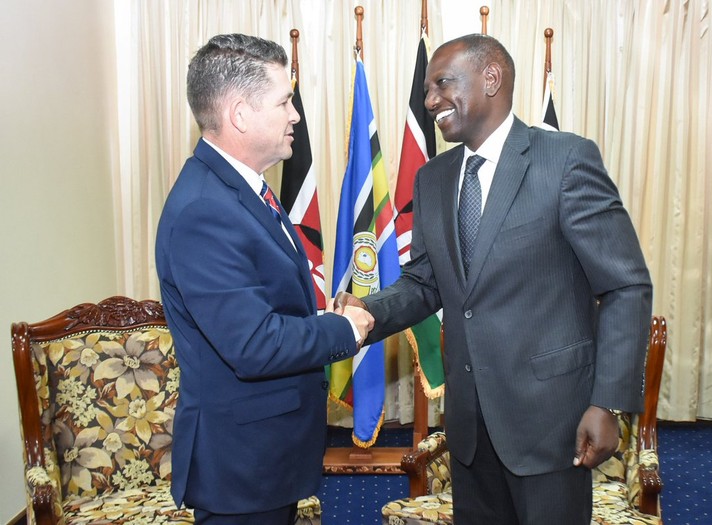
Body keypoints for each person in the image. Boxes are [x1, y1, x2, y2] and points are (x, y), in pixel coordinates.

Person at [335, 34, 652, 524]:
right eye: (426, 90)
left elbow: (625, 285)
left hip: (551, 425)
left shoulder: (564, 160)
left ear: (491, 78)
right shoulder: (434, 178)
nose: (430, 100)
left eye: (442, 83)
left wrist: (607, 403)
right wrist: (369, 311)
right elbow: (426, 281)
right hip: (470, 430)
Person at [155, 34, 374, 525]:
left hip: (266, 457)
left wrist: (319, 316)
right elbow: (254, 345)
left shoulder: (243, 189)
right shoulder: (204, 211)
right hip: (241, 471)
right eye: (284, 101)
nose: (295, 115)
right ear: (239, 114)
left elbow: (261, 304)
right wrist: (346, 330)